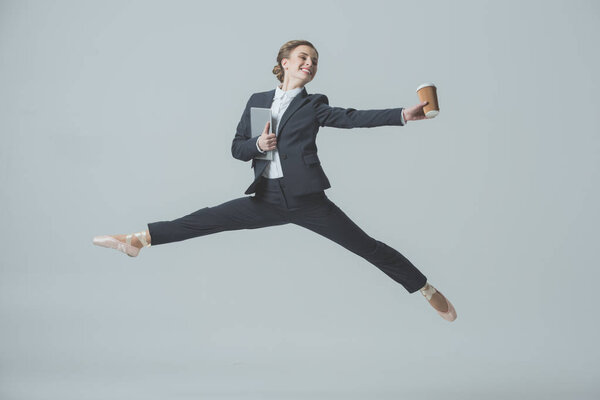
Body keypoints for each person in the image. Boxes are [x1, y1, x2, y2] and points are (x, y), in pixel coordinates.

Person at [93, 40, 457, 322]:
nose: (309, 64)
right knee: (205, 218)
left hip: (307, 200)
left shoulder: (314, 105)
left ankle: (423, 287)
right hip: (267, 196)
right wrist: (257, 144)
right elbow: (237, 148)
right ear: (284, 63)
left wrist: (401, 115)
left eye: (314, 60)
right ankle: (138, 240)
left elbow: (350, 117)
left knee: (366, 246)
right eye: (303, 57)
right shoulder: (258, 101)